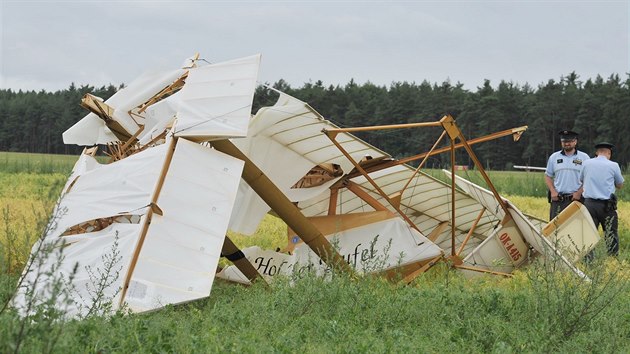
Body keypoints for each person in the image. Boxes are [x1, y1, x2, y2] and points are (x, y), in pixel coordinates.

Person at [580, 142, 624, 256]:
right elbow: (620, 184)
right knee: (610, 234)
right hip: (607, 206)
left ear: (597, 152)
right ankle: (612, 259)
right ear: (609, 153)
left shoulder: (586, 163)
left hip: (589, 204)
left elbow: (581, 180)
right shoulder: (613, 165)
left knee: (589, 233)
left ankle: (588, 261)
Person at [544, 130, 590, 219]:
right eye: (564, 141)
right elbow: (548, 176)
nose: (567, 144)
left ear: (575, 142)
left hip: (576, 199)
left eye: (569, 141)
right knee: (555, 229)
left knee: (576, 228)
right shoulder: (554, 157)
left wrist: (579, 193)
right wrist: (553, 191)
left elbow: (588, 178)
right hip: (558, 200)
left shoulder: (584, 157)